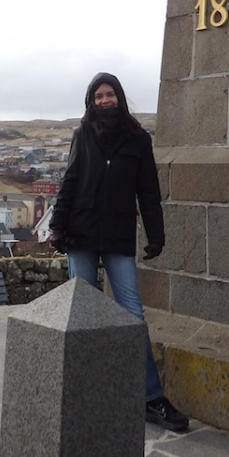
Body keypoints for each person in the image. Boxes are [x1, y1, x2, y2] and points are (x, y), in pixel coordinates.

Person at [49, 71, 189, 432]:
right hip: (80, 233)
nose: (105, 100)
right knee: (80, 316)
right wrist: (57, 226)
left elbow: (148, 191)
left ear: (120, 98)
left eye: (109, 94)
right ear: (91, 101)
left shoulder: (138, 139)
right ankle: (82, 390)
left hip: (118, 235)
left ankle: (151, 397)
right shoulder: (82, 134)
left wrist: (156, 235)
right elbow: (70, 181)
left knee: (133, 316)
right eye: (98, 96)